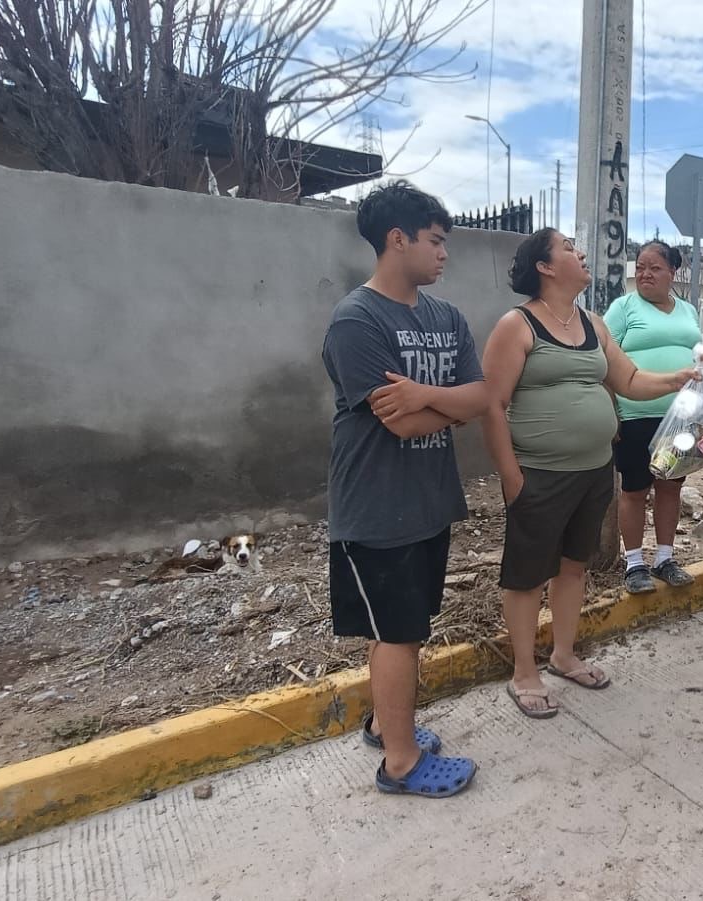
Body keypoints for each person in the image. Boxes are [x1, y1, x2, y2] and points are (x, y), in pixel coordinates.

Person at [482, 228, 694, 719]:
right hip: (539, 472)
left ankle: (562, 654)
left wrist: (677, 377)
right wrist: (511, 477)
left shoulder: (593, 324)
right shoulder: (517, 326)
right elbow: (492, 406)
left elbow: (631, 380)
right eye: (569, 248)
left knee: (573, 566)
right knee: (528, 577)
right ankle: (523, 672)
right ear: (545, 266)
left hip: (595, 469)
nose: (581, 253)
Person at [322, 182, 486, 798]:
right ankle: (400, 762)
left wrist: (429, 396)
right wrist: (451, 406)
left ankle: (385, 723)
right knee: (396, 634)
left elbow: (485, 393)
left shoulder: (445, 317)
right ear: (398, 239)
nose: (444, 254)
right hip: (376, 509)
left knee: (406, 628)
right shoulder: (357, 320)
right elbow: (402, 420)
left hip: (427, 501)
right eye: (436, 241)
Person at [604, 241, 703, 594]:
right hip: (634, 415)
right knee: (634, 489)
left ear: (672, 272)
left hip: (679, 418)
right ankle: (634, 564)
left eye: (654, 267)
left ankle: (664, 558)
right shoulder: (623, 308)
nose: (645, 274)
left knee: (670, 487)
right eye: (640, 267)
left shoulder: (689, 311)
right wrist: (612, 412)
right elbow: (603, 360)